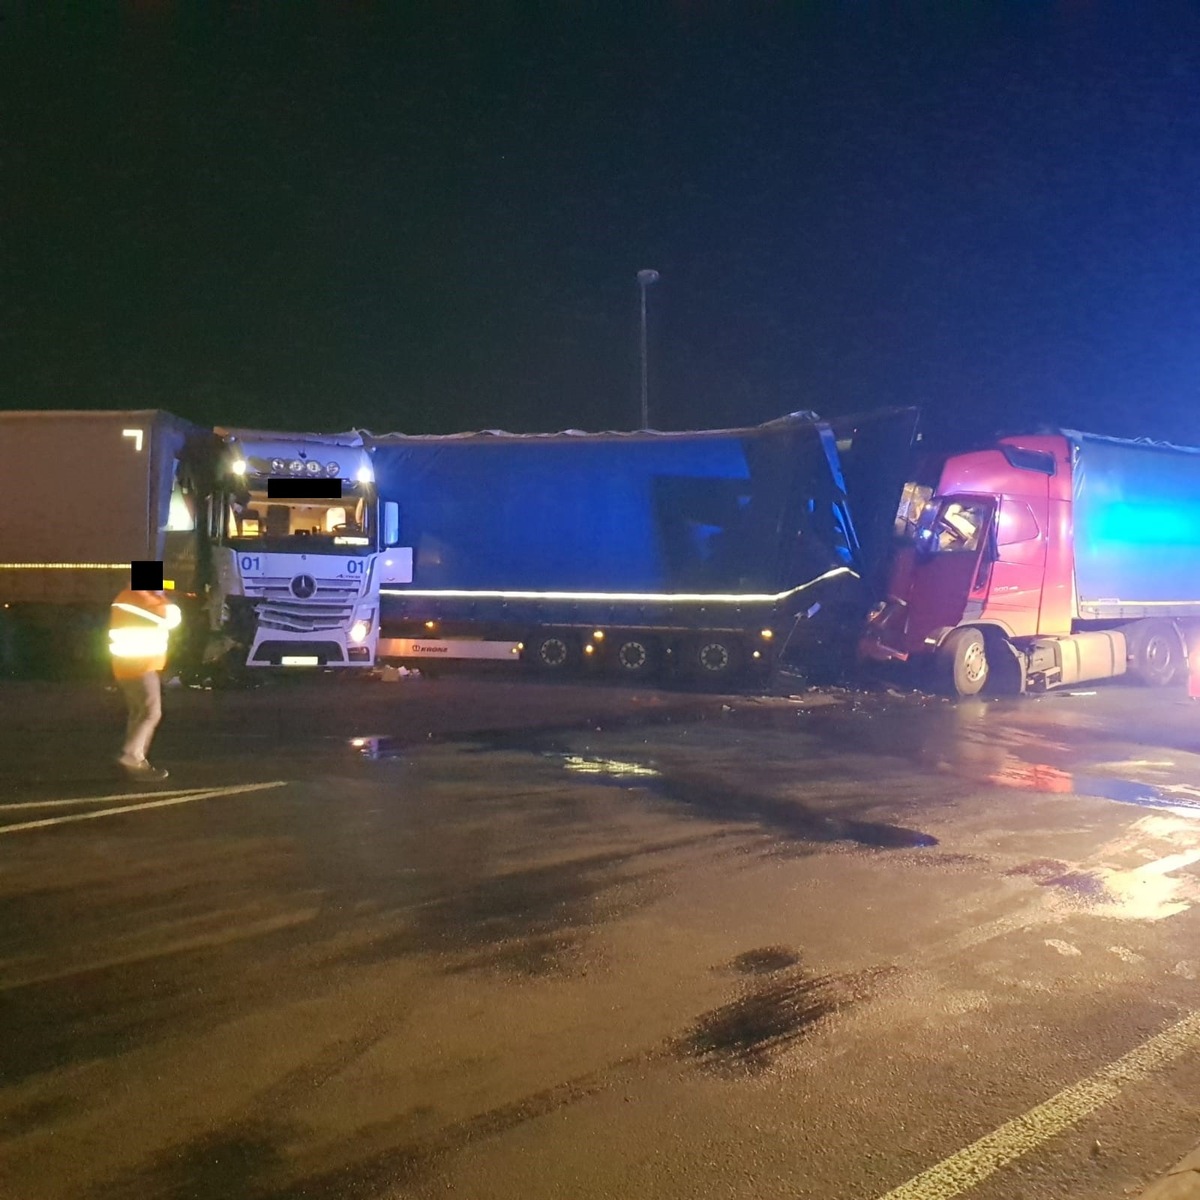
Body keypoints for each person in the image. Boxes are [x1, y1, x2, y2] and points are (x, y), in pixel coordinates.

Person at [109, 585, 182, 779]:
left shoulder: (125, 595)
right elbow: (172, 618)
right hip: (140, 664)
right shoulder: (144, 599)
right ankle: (132, 755)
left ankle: (137, 760)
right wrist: (164, 598)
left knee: (139, 711)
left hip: (127, 664)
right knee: (151, 711)